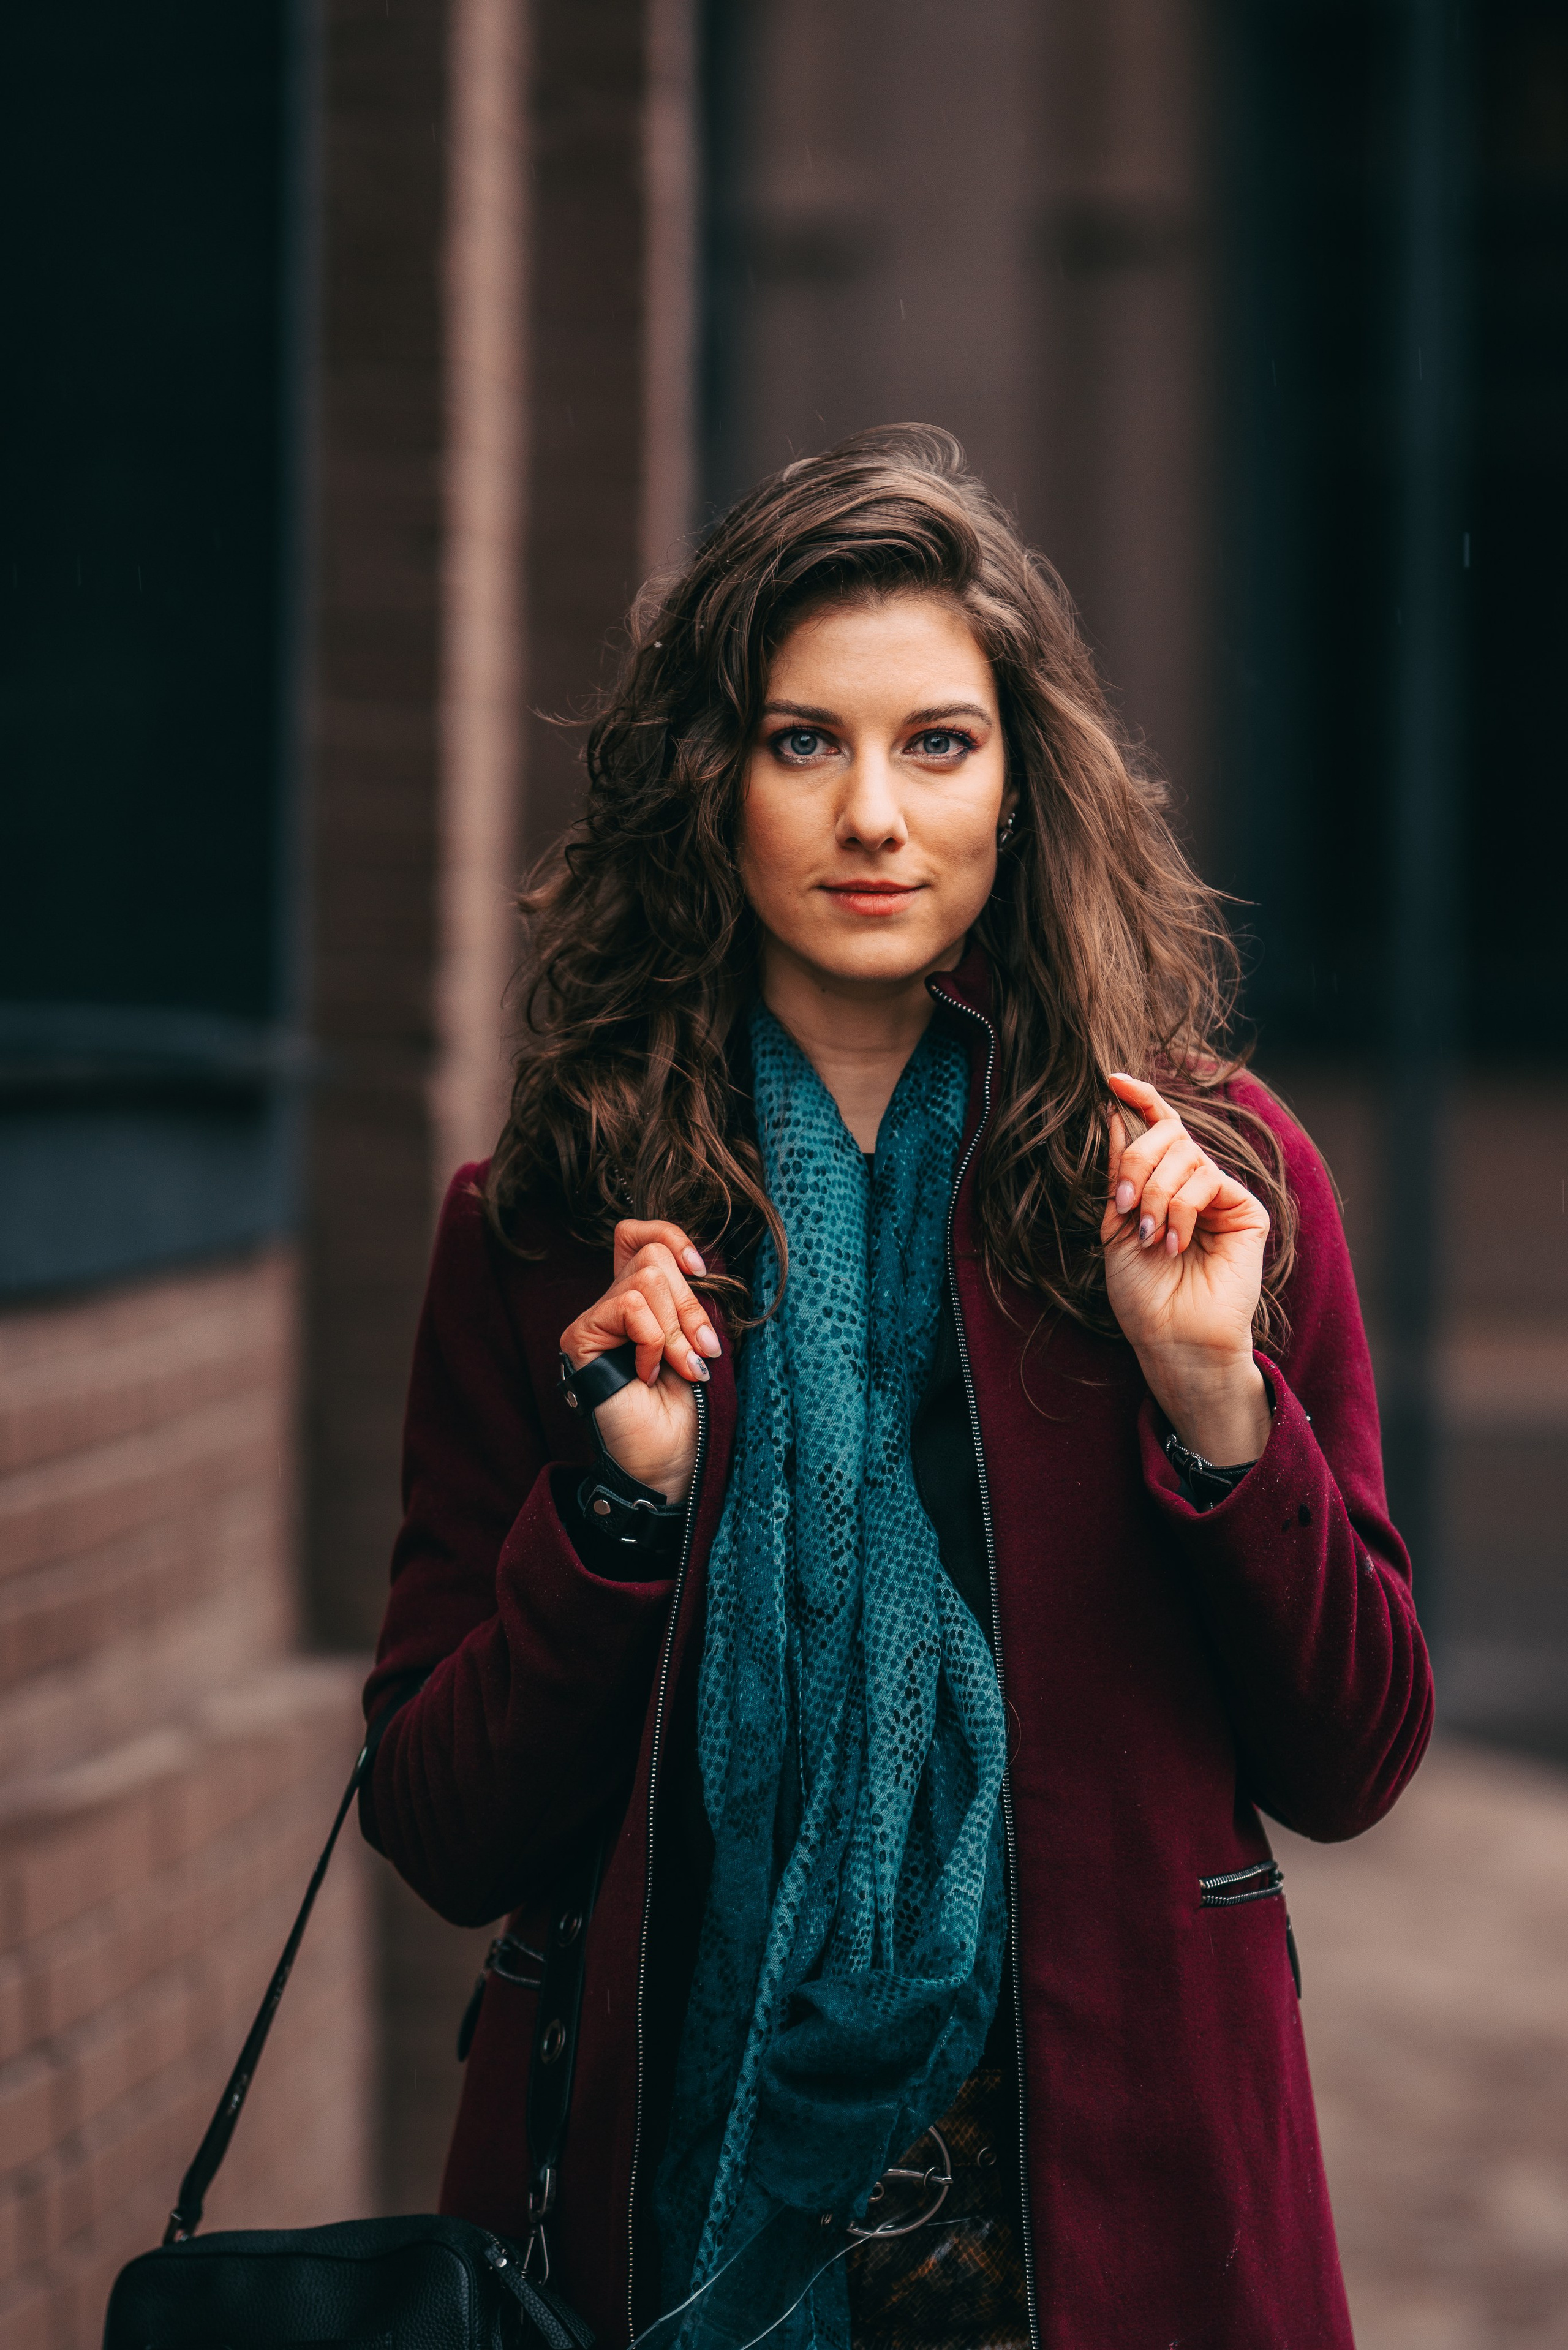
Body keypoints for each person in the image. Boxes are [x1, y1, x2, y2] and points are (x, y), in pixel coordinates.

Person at [360, 425, 1431, 2350]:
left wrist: (1214, 1405)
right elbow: (444, 1830)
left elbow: (1354, 1758)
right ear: (713, 788)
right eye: (802, 742)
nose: (874, 814)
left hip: (1113, 2227)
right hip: (659, 2234)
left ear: (1023, 786)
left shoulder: (1205, 1194)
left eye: (936, 742)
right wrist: (612, 1514)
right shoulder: (544, 1231)